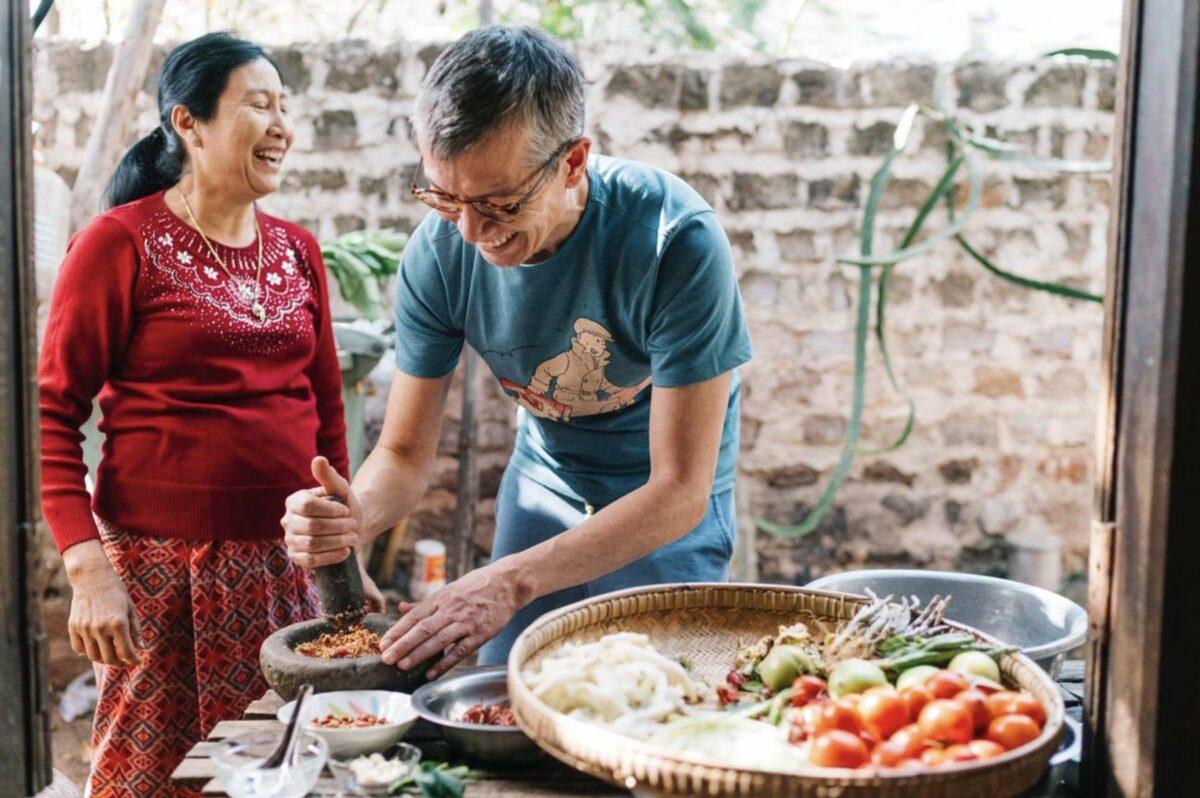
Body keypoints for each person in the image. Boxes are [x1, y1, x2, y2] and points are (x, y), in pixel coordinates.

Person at [281, 25, 752, 676]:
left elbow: (680, 489)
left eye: (499, 204)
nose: (473, 233)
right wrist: (355, 517)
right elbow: (403, 454)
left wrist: (511, 580)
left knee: (656, 693)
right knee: (509, 696)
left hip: (660, 498)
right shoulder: (439, 253)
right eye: (446, 198)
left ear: (573, 162)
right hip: (545, 480)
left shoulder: (675, 242)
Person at [38, 32, 377, 796]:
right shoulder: (118, 244)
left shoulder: (298, 251)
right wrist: (87, 569)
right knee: (152, 774)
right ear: (187, 123)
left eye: (286, 107)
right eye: (259, 104)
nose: (282, 125)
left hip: (285, 574)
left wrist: (342, 558)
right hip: (159, 577)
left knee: (282, 770)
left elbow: (326, 413)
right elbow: (50, 413)